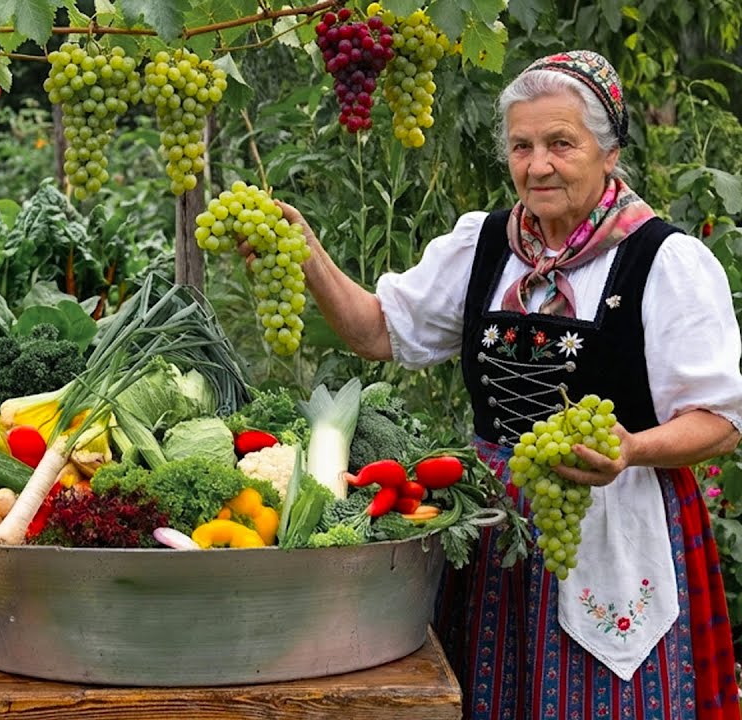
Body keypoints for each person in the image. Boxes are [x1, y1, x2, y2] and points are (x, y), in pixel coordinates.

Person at [267, 50, 742, 719]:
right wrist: (305, 249)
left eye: (560, 144)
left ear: (608, 154)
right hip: (496, 528)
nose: (538, 165)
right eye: (522, 145)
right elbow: (377, 333)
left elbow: (718, 418)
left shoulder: (665, 262)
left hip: (613, 520)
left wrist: (631, 448)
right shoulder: (485, 244)